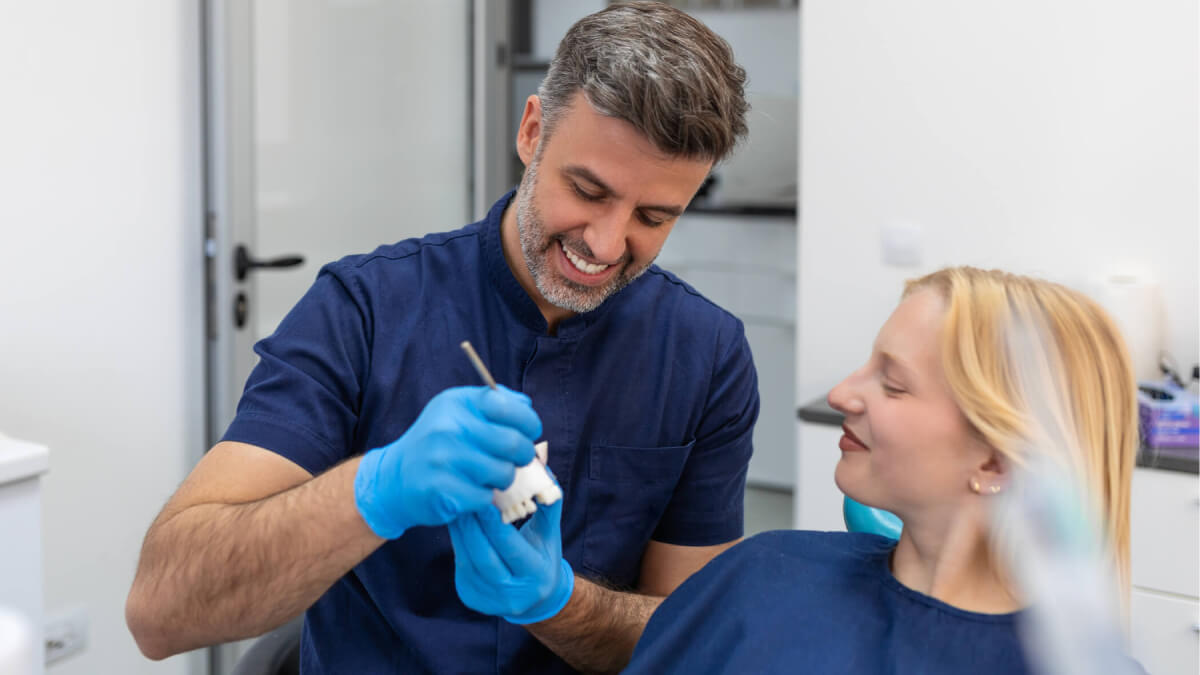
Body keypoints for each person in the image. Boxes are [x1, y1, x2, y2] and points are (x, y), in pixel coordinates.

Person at [124, 2, 757, 673]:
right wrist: (374, 491)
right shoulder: (363, 311)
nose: (605, 242)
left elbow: (696, 638)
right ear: (532, 130)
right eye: (588, 189)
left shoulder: (706, 355)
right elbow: (161, 612)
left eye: (653, 217)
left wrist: (558, 603)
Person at [451, 267, 1145, 673]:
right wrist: (549, 598)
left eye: (892, 383)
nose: (843, 392)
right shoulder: (766, 574)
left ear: (994, 459)